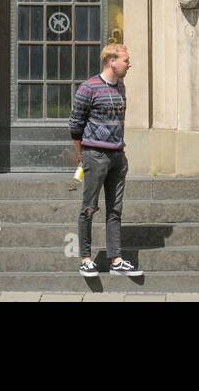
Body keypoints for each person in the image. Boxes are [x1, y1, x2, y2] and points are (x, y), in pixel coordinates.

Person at [67, 42, 142, 278]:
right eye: (125, 60)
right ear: (112, 61)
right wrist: (81, 155)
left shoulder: (121, 86)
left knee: (115, 209)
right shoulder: (88, 88)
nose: (129, 64)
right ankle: (86, 259)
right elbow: (75, 125)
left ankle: (116, 259)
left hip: (118, 156)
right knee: (88, 208)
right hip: (95, 155)